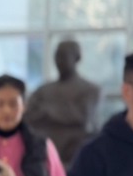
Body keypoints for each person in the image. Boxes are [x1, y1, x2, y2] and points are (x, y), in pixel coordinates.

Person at [24, 40, 102, 168]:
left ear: (76, 58)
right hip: (42, 156)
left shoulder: (90, 90)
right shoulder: (43, 90)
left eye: (64, 56)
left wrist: (47, 111)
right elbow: (28, 115)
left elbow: (82, 117)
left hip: (74, 156)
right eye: (57, 56)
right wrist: (63, 112)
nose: (59, 60)